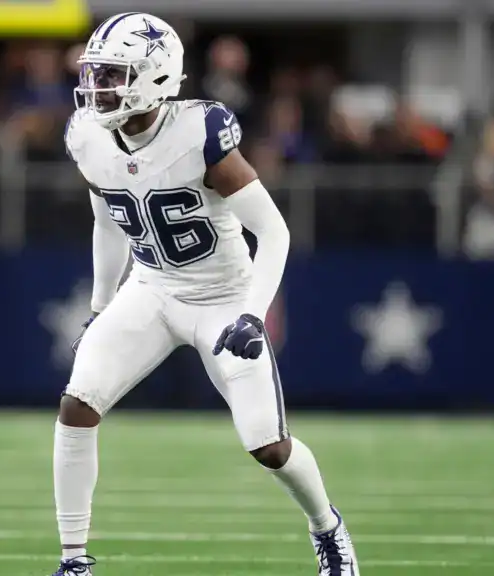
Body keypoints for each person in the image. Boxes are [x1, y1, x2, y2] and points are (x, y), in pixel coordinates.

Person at [52, 12, 359, 576]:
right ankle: (74, 562)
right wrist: (100, 307)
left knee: (268, 445)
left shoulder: (200, 133)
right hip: (152, 288)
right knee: (77, 404)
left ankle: (328, 529)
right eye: (96, 74)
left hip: (223, 296)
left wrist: (251, 313)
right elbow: (107, 221)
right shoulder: (88, 136)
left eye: (114, 75)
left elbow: (274, 232)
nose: (99, 88)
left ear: (155, 75)